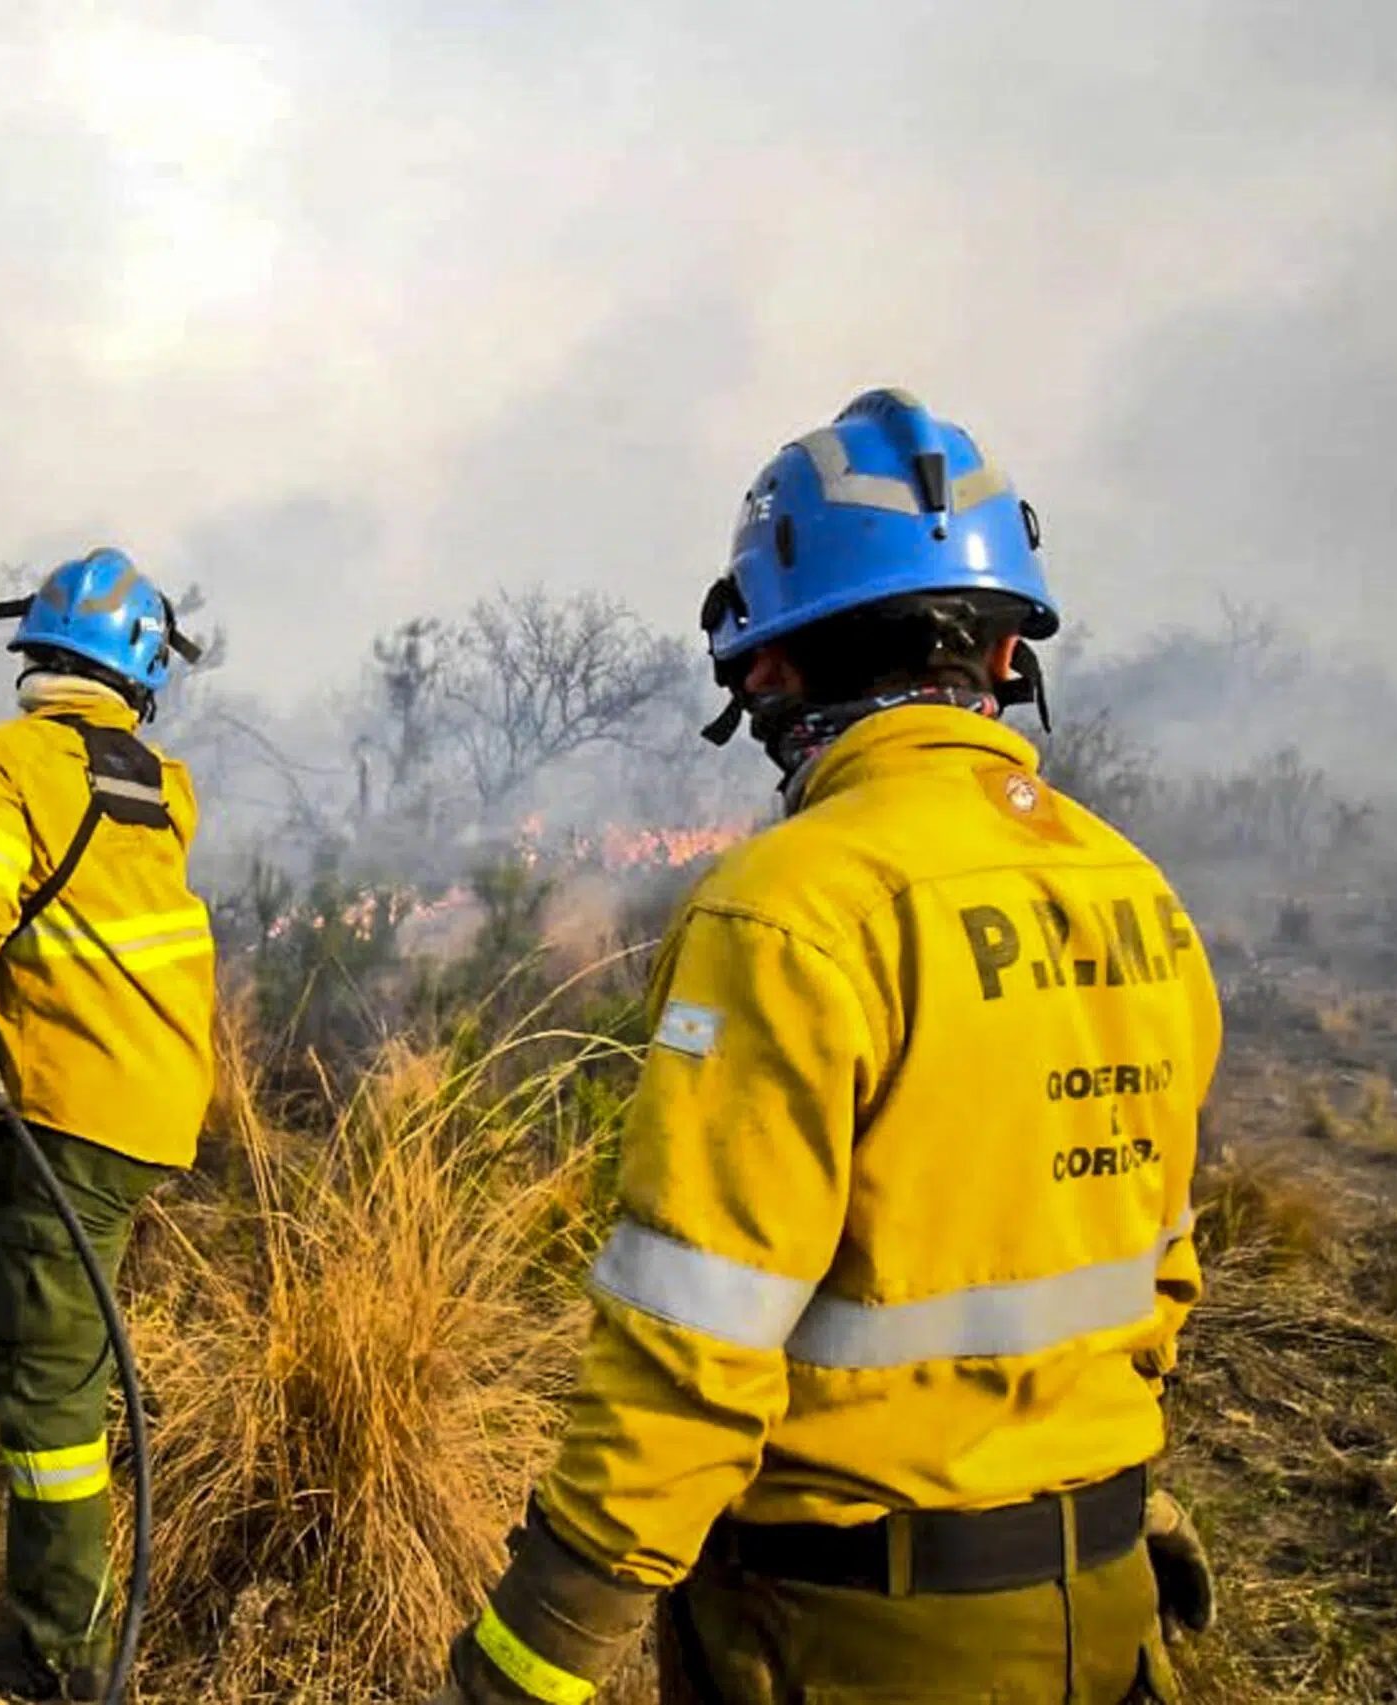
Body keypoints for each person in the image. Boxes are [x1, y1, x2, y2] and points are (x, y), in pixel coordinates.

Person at [433, 389, 1224, 1704]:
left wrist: (530, 1660)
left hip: (854, 1640)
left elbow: (691, 1341)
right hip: (1106, 1620)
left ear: (767, 667)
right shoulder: (1136, 889)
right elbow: (1151, 1274)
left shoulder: (786, 909)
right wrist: (1125, 1499)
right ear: (1010, 659)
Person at [0, 546, 218, 1702]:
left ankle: (63, 1656)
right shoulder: (159, 783)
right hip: (146, 1095)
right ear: (138, 679)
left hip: (75, 1108)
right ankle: (63, 1346)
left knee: (45, 1401)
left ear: (34, 654)